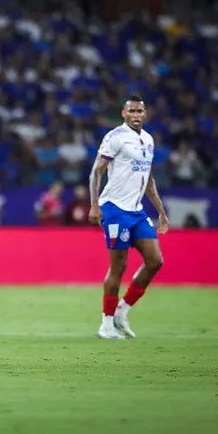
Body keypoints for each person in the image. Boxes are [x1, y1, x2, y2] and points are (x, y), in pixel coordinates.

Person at [88, 95, 169, 340]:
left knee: (155, 261)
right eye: (131, 111)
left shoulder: (148, 140)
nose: (136, 115)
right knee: (119, 266)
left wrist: (161, 212)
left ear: (145, 114)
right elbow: (96, 170)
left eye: (140, 111)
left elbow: (148, 179)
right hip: (114, 209)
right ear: (123, 113)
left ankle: (122, 312)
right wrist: (94, 205)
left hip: (137, 212)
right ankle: (106, 324)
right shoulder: (115, 137)